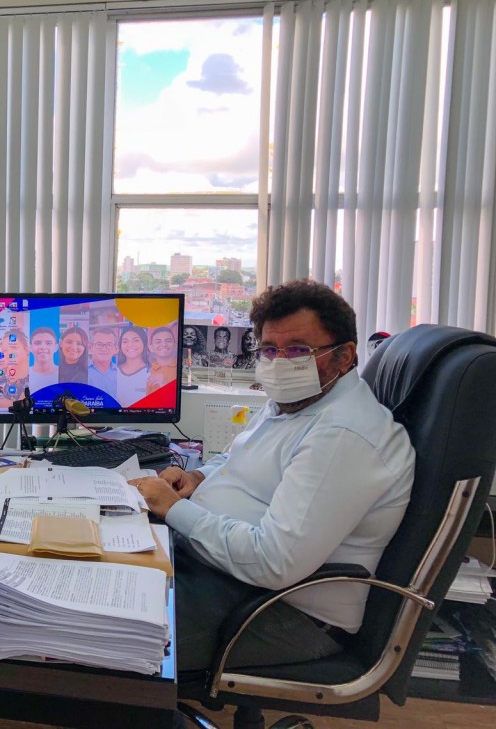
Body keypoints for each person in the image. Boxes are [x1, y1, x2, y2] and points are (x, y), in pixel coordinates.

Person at [131, 279, 414, 673]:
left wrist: (174, 509)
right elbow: (236, 459)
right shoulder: (296, 402)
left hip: (276, 612)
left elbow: (273, 563)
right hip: (222, 575)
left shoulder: (343, 435)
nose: (280, 362)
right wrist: (198, 479)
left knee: (100, 633)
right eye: (269, 349)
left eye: (297, 350)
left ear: (344, 356)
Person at [115, 325, 150, 406]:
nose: (130, 345)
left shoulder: (152, 373)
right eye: (125, 341)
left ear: (144, 343)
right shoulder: (113, 372)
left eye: (136, 340)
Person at [0, 327, 29, 407]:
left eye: (14, 347)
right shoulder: (1, 376)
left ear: (26, 350)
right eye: (5, 350)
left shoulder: (35, 376)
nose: (9, 353)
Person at [87, 326, 119, 398]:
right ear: (90, 347)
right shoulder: (81, 372)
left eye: (109, 344)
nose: (104, 349)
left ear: (115, 348)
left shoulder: (121, 373)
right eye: (99, 344)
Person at [27, 326, 60, 395]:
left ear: (56, 347)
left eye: (48, 343)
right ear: (30, 347)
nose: (43, 347)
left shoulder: (63, 374)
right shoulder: (25, 375)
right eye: (37, 343)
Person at [146, 326, 178, 392]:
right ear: (151, 348)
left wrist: (164, 385)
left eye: (168, 341)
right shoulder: (148, 372)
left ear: (175, 345)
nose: (164, 344)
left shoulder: (180, 369)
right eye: (158, 342)